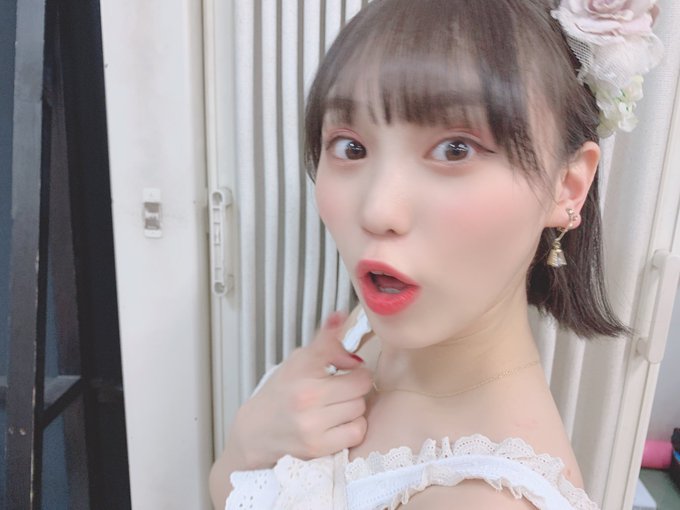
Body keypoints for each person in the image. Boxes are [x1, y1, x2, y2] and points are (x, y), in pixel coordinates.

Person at [209, 0, 664, 508]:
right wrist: (248, 442)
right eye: (351, 147)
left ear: (568, 186)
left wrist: (242, 452)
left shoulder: (482, 499)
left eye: (455, 149)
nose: (377, 210)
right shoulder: (373, 325)